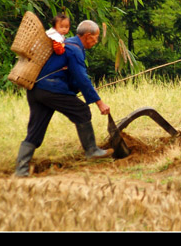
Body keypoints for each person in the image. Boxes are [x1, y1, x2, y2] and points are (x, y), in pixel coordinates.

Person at [15, 20, 111, 177]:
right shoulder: (74, 49)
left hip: (35, 90)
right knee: (82, 111)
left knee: (36, 129)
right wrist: (99, 102)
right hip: (51, 89)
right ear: (87, 36)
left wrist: (79, 88)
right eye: (96, 37)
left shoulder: (68, 44)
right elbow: (81, 78)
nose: (96, 41)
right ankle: (92, 150)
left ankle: (21, 170)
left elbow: (72, 77)